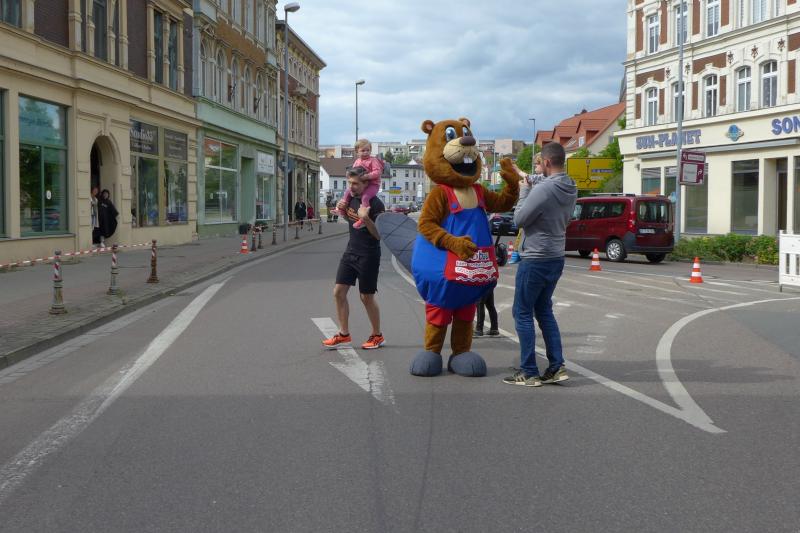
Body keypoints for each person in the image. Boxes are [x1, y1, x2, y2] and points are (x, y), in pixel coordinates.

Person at [503, 142, 577, 387]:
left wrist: (524, 191)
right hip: (556, 256)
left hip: (535, 257)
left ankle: (529, 371)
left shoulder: (543, 190)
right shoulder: (570, 185)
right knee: (544, 310)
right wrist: (522, 173)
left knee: (522, 312)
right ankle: (556, 366)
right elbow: (541, 180)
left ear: (546, 162)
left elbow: (519, 219)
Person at [322, 167, 386, 350]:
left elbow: (379, 235)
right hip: (350, 252)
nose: (351, 187)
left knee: (366, 297)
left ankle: (377, 335)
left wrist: (366, 219)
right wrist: (342, 211)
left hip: (368, 255)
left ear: (366, 183)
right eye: (349, 183)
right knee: (338, 292)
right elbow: (349, 220)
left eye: (355, 183)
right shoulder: (350, 198)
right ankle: (344, 334)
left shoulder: (375, 204)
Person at [336, 139, 383, 229]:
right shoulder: (357, 161)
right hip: (362, 183)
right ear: (357, 152)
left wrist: (367, 176)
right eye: (363, 150)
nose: (366, 152)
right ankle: (341, 209)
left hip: (373, 184)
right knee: (347, 191)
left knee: (365, 197)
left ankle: (363, 219)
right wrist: (348, 174)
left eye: (368, 150)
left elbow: (378, 172)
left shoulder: (373, 160)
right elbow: (353, 172)